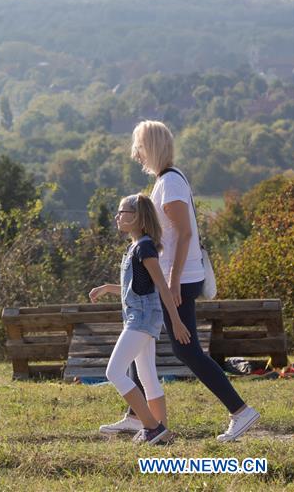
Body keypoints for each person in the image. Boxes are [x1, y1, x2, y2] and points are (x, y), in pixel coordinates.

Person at [101, 120, 260, 442]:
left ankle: (240, 411)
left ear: (152, 147)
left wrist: (172, 284)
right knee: (143, 342)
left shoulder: (170, 184)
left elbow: (185, 234)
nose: (136, 154)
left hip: (182, 279)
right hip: (179, 277)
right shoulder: (165, 181)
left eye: (139, 147)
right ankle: (137, 416)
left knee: (186, 349)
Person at [89, 194, 191, 444]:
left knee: (114, 372)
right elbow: (134, 287)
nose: (117, 216)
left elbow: (161, 288)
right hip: (139, 317)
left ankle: (150, 426)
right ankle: (163, 432)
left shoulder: (145, 247)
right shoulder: (136, 247)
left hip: (142, 319)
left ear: (138, 218)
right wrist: (106, 288)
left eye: (122, 212)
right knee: (147, 376)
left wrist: (176, 322)